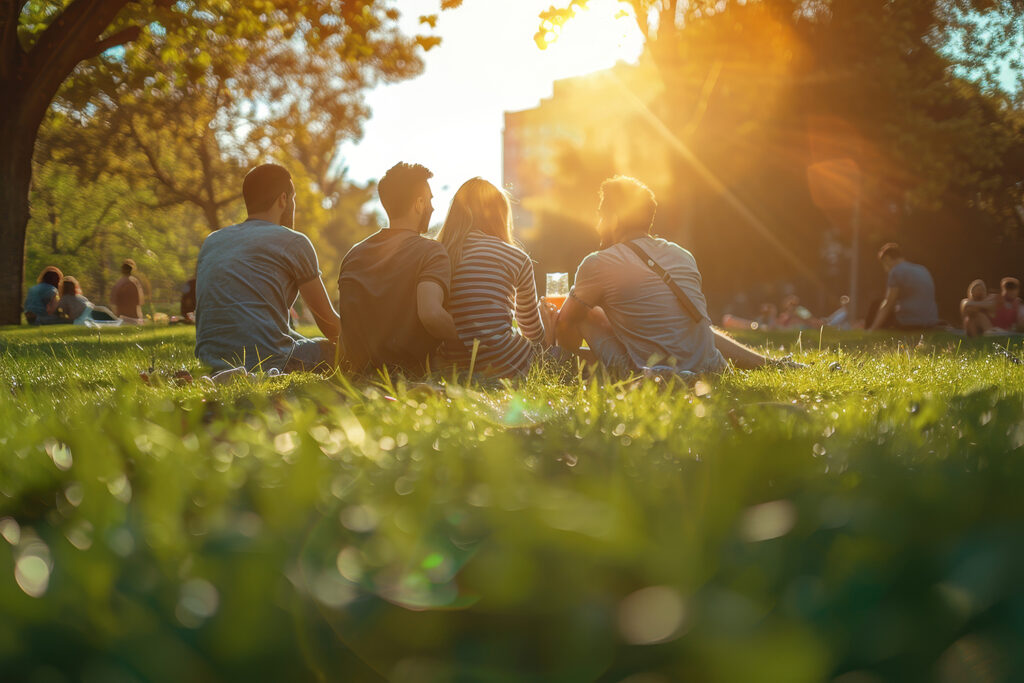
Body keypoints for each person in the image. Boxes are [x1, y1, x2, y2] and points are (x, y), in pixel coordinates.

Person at [555, 176, 782, 374]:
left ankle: (565, 367)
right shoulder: (682, 255)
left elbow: (566, 324)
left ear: (614, 218)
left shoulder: (598, 263)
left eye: (601, 216)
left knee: (582, 313)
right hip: (712, 369)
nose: (598, 225)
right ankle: (770, 365)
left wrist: (557, 325)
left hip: (654, 375)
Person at [195, 163, 341, 373]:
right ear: (283, 199)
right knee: (335, 350)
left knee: (294, 339)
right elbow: (328, 323)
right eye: (293, 199)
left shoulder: (212, 241)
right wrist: (366, 343)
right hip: (270, 362)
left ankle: (234, 374)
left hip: (211, 363)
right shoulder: (294, 242)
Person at [337, 162, 459, 375]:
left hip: (358, 375)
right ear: (419, 204)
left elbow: (346, 325)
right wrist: (465, 342)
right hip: (408, 375)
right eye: (429, 200)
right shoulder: (431, 252)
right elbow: (431, 314)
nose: (432, 207)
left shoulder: (353, 255)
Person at [436, 177, 556, 377]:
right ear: (500, 216)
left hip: (453, 365)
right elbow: (531, 331)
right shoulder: (516, 257)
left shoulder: (439, 254)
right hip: (507, 362)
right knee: (574, 363)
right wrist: (549, 328)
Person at [868, 243, 940, 331]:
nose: (885, 269)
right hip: (931, 321)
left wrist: (873, 328)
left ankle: (869, 330)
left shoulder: (895, 271)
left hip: (910, 322)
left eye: (884, 264)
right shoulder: (922, 269)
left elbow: (889, 303)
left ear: (887, 258)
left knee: (877, 304)